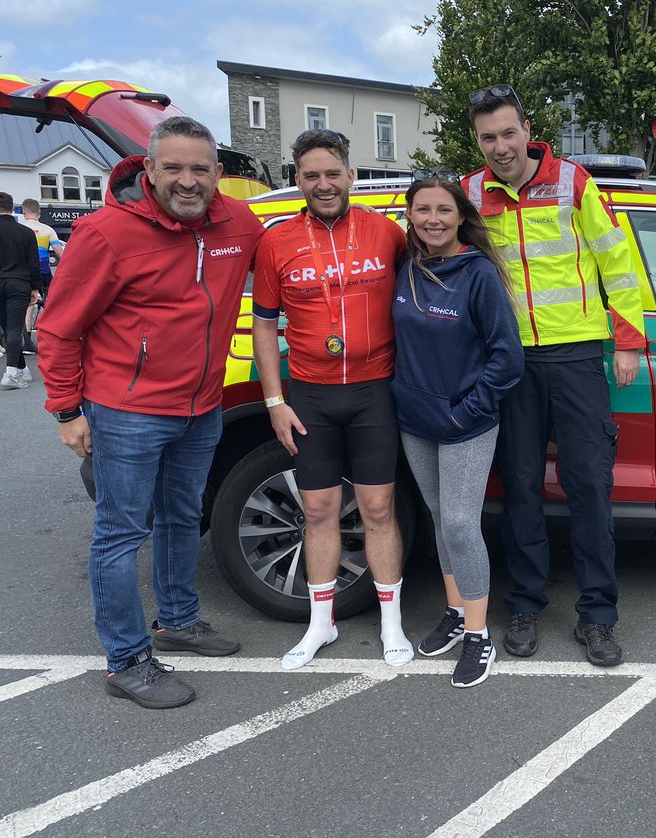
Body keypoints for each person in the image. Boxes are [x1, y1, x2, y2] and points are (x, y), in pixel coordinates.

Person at [37, 117, 261, 708]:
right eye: (174, 169)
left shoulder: (239, 222)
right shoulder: (106, 233)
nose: (188, 182)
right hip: (126, 410)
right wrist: (66, 410)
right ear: (150, 170)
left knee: (183, 518)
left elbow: (288, 267)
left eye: (200, 170)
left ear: (218, 174)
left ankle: (179, 620)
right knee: (119, 534)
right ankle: (127, 660)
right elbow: (58, 327)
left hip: (203, 405)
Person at [462, 84, 647, 667]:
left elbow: (617, 260)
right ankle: (524, 604)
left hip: (574, 356)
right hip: (508, 360)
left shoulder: (572, 183)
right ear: (478, 140)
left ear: (526, 129)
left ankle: (597, 616)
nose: (500, 146)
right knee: (519, 487)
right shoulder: (468, 192)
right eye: (488, 137)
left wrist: (628, 339)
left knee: (589, 485)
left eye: (508, 133)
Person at [252, 128, 411, 670]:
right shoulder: (275, 241)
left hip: (374, 391)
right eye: (311, 175)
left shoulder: (387, 233)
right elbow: (264, 325)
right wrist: (275, 400)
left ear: (351, 174)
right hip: (312, 395)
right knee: (317, 509)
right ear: (297, 179)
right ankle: (321, 624)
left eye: (333, 173)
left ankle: (392, 621)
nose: (324, 184)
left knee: (378, 508)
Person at [393, 171, 524, 688]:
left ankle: (478, 635)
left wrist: (466, 411)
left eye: (443, 210)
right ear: (410, 216)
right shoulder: (406, 268)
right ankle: (454, 610)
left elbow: (507, 358)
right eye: (422, 210)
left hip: (464, 422)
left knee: (463, 525)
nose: (433, 219)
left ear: (461, 216)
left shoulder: (478, 274)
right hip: (414, 419)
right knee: (439, 516)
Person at [0, 192, 40, 389]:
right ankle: (11, 373)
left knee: (6, 327)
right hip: (19, 282)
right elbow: (34, 264)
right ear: (11, 208)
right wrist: (35, 288)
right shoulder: (25, 233)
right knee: (15, 327)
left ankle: (22, 369)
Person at [21, 198, 64, 302]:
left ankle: (27, 318)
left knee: (26, 304)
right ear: (39, 212)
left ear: (24, 211)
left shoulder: (19, 228)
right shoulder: (48, 230)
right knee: (49, 301)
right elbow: (60, 254)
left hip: (23, 271)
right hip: (44, 271)